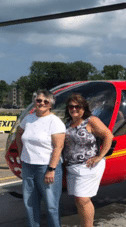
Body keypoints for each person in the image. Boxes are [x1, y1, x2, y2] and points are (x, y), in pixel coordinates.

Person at [16, 90, 66, 227]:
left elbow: (58, 147)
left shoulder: (55, 122)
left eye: (46, 101)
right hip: (28, 167)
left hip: (46, 167)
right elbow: (19, 134)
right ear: (34, 102)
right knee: (30, 204)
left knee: (51, 206)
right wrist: (22, 155)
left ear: (50, 105)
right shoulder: (28, 118)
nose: (42, 103)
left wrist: (51, 169)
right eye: (39, 100)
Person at [63, 93, 113, 227]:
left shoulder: (91, 121)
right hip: (72, 167)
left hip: (88, 167)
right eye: (71, 106)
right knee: (79, 201)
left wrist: (100, 156)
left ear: (84, 108)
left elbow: (108, 136)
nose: (73, 109)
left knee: (83, 200)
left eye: (77, 106)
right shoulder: (67, 123)